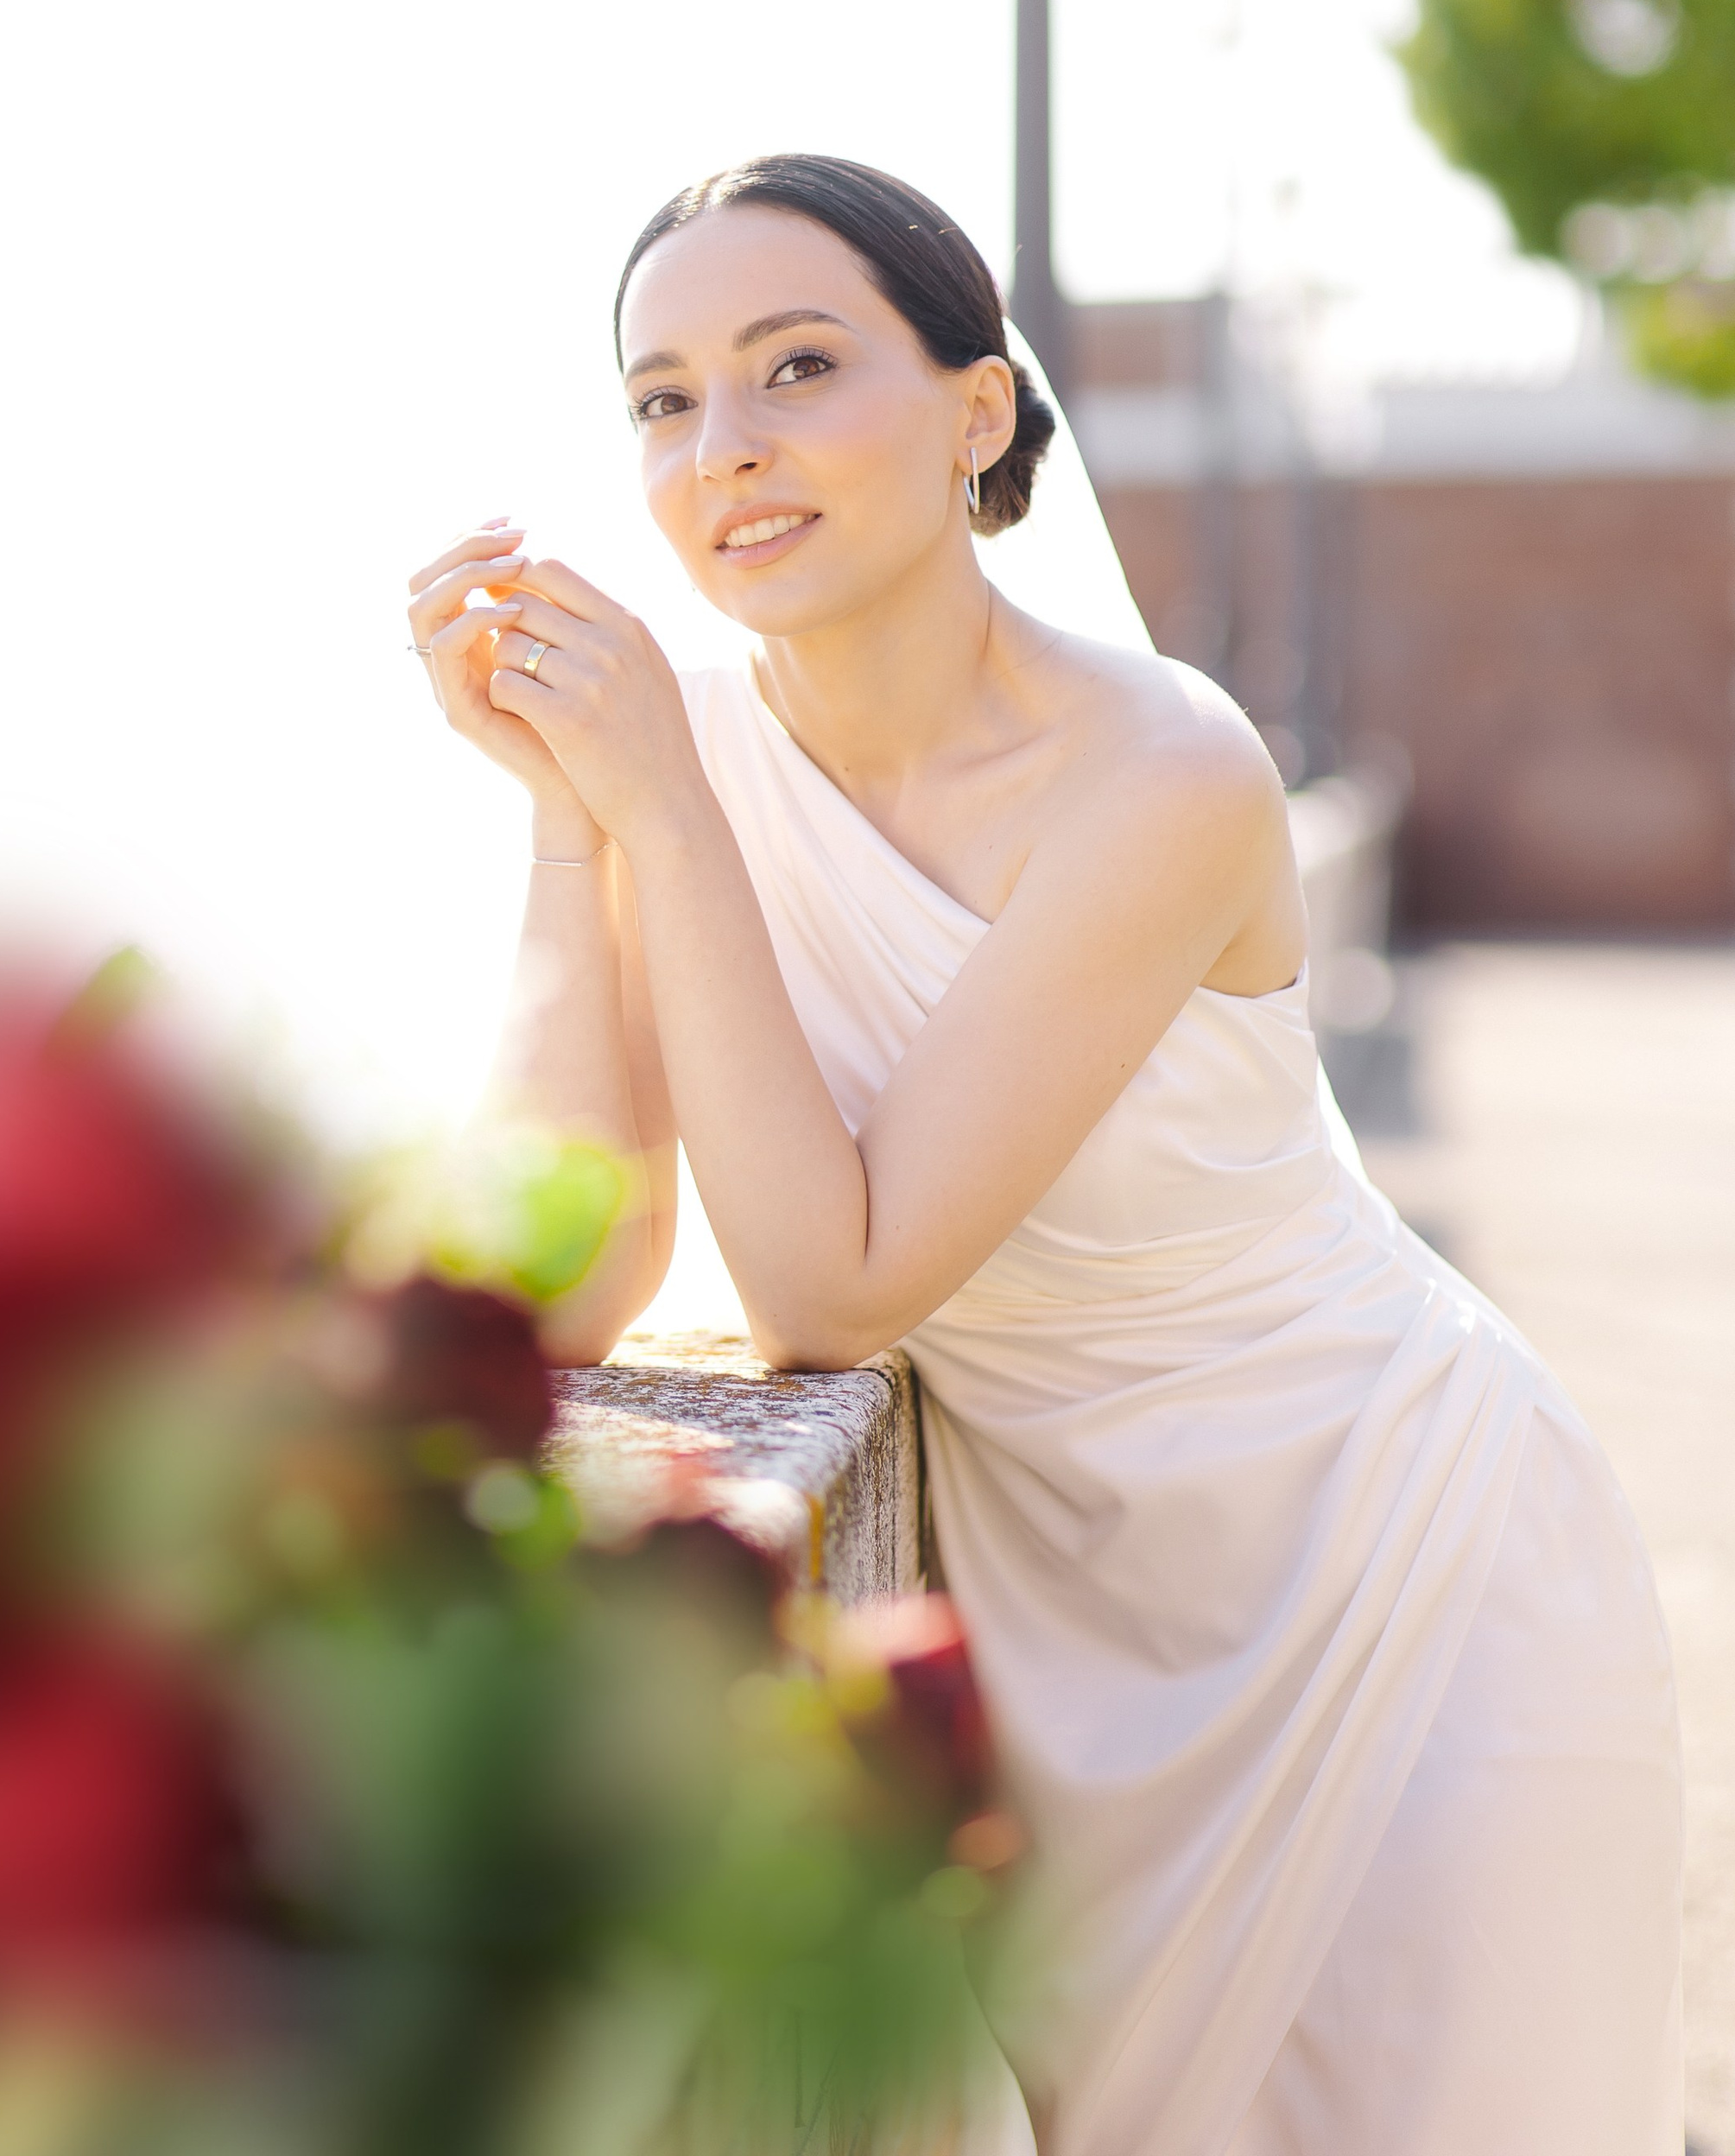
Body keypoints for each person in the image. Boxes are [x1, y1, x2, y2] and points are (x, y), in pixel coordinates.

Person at [407, 152, 1685, 2156]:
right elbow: (565, 1277)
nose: (720, 448)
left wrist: (654, 804)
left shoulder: (1160, 774)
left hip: (1389, 1573)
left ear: (975, 412)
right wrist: (571, 823)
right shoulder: (692, 768)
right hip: (1053, 1650)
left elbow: (833, 1282)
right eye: (662, 400)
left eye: (794, 367)